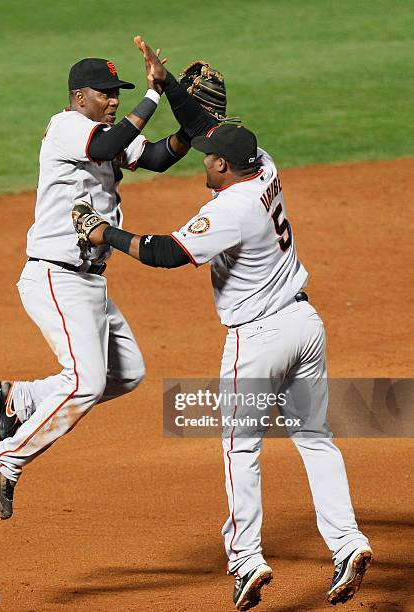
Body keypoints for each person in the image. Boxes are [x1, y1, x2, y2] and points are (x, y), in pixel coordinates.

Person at [71, 122, 373, 610]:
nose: (203, 159)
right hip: (304, 324)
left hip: (259, 341)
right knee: (315, 439)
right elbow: (216, 128)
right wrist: (169, 88)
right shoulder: (265, 168)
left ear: (223, 166)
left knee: (239, 450)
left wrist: (102, 231)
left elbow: (166, 253)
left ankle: (247, 559)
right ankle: (348, 542)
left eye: (208, 156)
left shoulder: (232, 208)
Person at [0, 37, 221, 521]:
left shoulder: (105, 128)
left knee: (126, 373)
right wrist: (152, 94)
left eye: (117, 92)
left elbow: (154, 157)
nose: (113, 100)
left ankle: (18, 398)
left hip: (90, 281)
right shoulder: (68, 127)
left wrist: (188, 128)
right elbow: (108, 145)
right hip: (54, 275)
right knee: (86, 382)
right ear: (78, 97)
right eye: (105, 93)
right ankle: (4, 461)